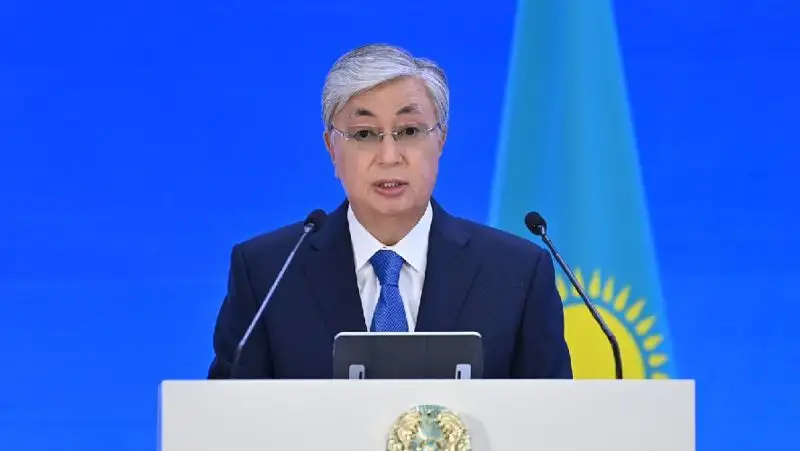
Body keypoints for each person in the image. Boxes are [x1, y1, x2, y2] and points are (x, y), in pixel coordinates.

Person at [208, 44, 572, 379]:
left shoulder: (516, 273)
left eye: (409, 130)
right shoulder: (268, 274)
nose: (389, 156)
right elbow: (226, 416)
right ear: (331, 149)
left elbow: (552, 417)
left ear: (441, 141)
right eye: (365, 134)